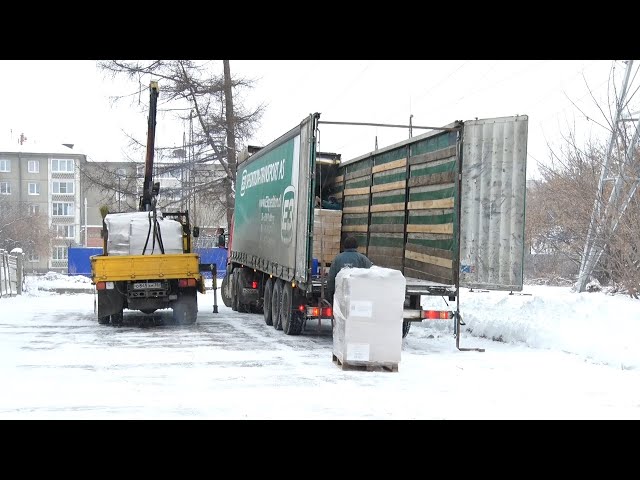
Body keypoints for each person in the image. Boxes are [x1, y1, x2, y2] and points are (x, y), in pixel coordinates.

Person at [326, 235, 372, 304]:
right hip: (358, 297)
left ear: (344, 246)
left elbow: (331, 279)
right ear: (357, 246)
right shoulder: (363, 259)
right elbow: (371, 276)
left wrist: (330, 296)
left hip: (341, 297)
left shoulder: (337, 259)